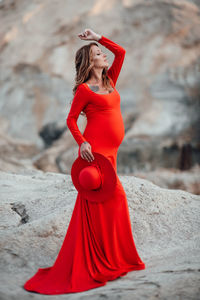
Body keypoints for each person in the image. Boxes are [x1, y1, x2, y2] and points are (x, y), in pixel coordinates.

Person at [23, 28, 145, 295]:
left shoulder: (110, 80)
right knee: (107, 199)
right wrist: (83, 143)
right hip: (97, 151)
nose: (103, 55)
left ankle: (114, 258)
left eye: (101, 52)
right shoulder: (84, 90)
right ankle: (101, 259)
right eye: (98, 54)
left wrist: (98, 37)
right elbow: (71, 119)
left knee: (113, 202)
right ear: (90, 62)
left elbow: (121, 52)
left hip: (113, 152)